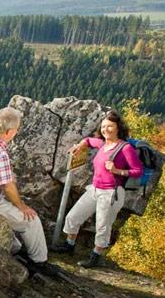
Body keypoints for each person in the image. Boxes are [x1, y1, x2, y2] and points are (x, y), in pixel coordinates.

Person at [53, 110, 143, 268]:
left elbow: (138, 171)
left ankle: (95, 257)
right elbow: (88, 140)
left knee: (102, 226)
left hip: (111, 193)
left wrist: (117, 171)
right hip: (94, 189)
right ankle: (69, 245)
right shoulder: (102, 144)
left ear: (118, 128)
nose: (105, 129)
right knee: (73, 217)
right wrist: (80, 145)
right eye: (103, 126)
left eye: (110, 126)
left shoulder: (125, 148)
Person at [0, 107, 57, 276]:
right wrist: (21, 206)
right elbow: (7, 186)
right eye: (17, 129)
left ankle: (16, 248)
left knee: (17, 234)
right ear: (10, 131)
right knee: (31, 220)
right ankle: (39, 263)